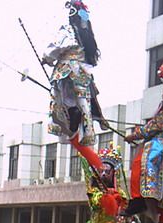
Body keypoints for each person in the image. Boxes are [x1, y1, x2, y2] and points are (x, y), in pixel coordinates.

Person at [125, 61, 163, 223]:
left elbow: (150, 128)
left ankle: (138, 200)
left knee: (141, 161)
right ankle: (162, 217)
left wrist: (134, 135)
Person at [43, 0, 106, 146]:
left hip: (66, 68)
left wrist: (46, 58)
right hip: (83, 70)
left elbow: (57, 47)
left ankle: (59, 123)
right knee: (85, 100)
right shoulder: (87, 33)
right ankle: (88, 131)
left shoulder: (67, 29)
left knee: (58, 95)